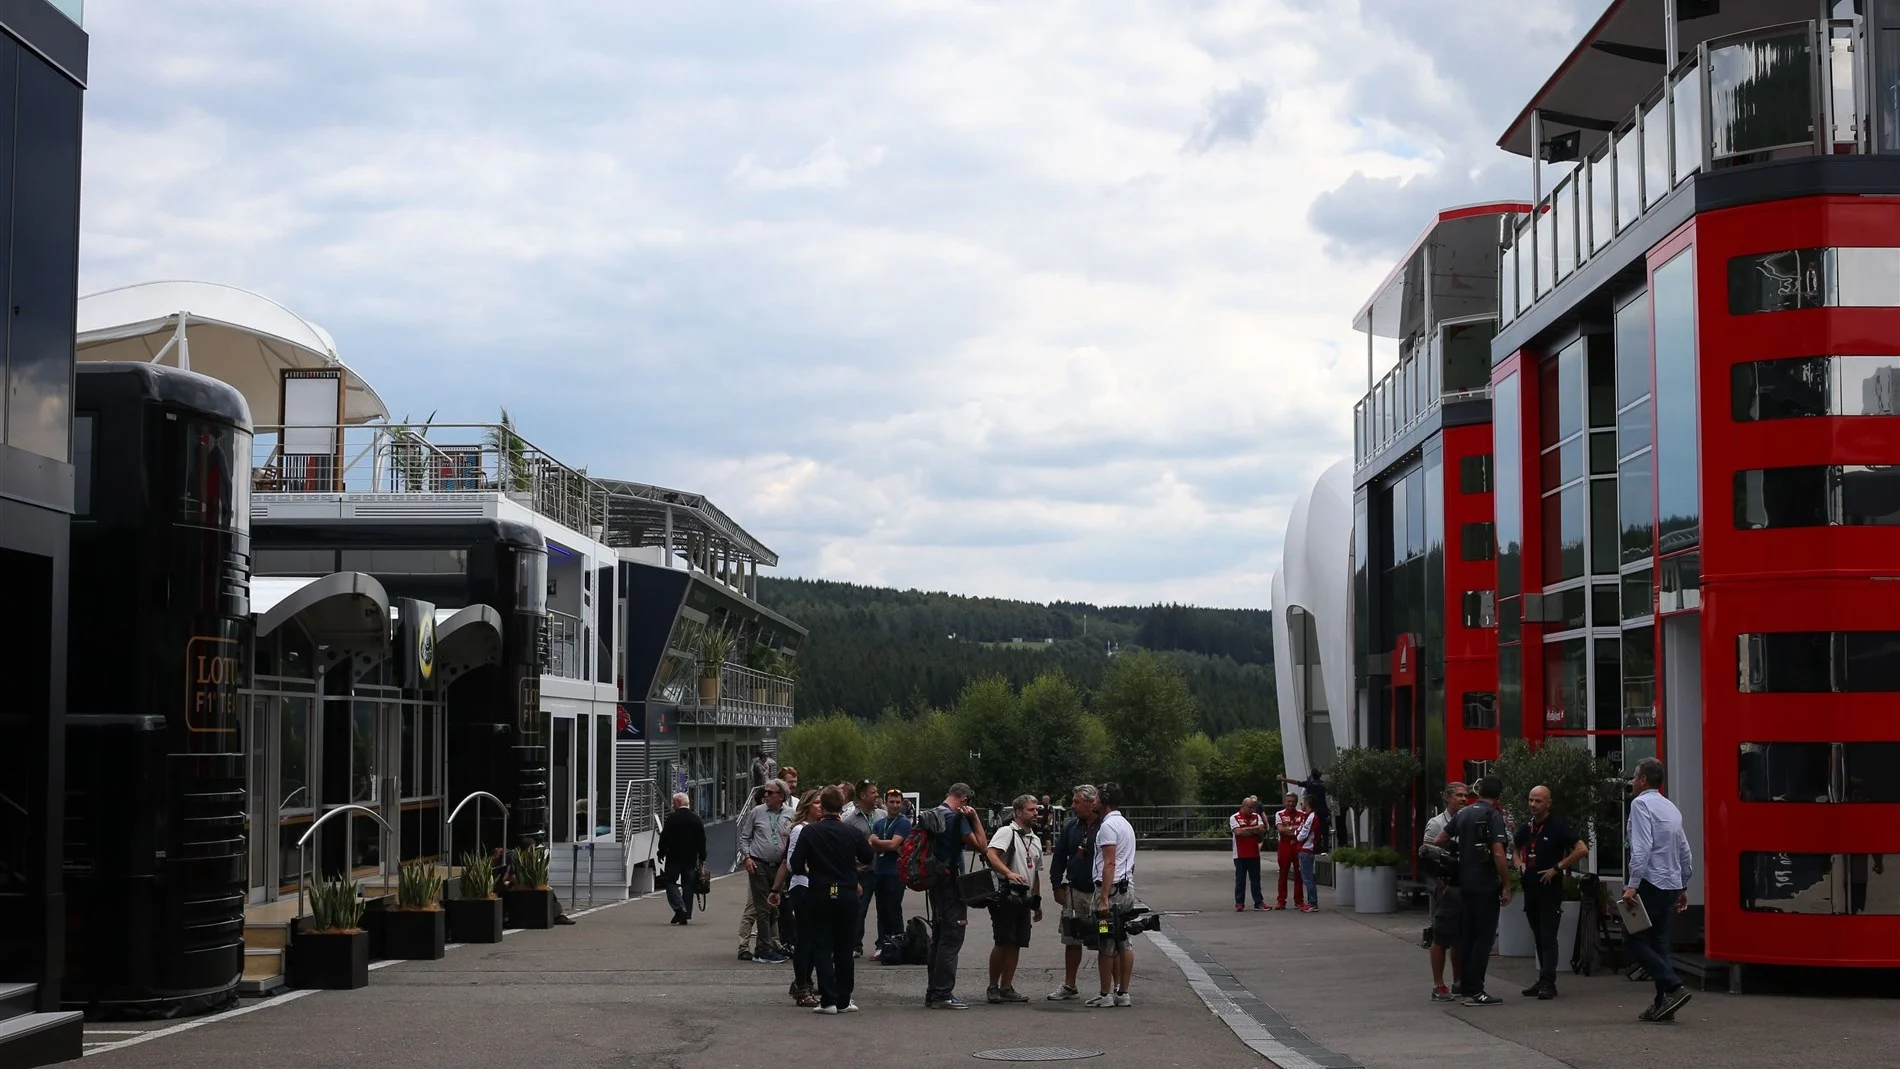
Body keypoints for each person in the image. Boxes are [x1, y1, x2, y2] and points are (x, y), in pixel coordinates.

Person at [787, 786, 875, 1014]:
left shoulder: (810, 832)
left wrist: (810, 866)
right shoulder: (852, 832)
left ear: (822, 806)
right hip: (846, 891)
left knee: (822, 946)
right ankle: (845, 999)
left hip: (821, 891)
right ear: (842, 805)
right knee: (845, 948)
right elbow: (867, 856)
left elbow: (795, 865)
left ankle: (828, 1000)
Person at [1623, 757, 1695, 1023]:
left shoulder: (1640, 804)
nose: (1632, 781)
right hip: (1671, 883)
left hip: (1651, 882)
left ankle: (1674, 988)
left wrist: (1632, 885)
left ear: (1643, 780)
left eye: (1634, 777)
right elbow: (1684, 849)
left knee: (1632, 941)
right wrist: (1684, 884)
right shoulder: (1670, 807)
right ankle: (1662, 1004)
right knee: (1659, 943)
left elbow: (1641, 848)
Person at [1516, 784, 1588, 999]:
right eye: (1530, 800)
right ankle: (1542, 979)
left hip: (1549, 891)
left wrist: (1558, 868)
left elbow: (1582, 849)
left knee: (1548, 936)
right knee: (1538, 936)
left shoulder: (1557, 826)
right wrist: (1518, 861)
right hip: (1531, 889)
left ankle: (1549, 983)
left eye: (1538, 801)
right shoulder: (1526, 827)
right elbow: (1514, 848)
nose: (1533, 804)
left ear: (1548, 803)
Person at [1446, 777, 1510, 1007]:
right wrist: (1507, 884)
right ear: (1498, 796)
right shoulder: (1493, 816)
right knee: (1483, 939)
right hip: (1485, 884)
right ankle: (1476, 991)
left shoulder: (1463, 814)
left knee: (1467, 937)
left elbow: (1440, 839)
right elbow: (1499, 853)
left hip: (1465, 883)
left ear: (1479, 791)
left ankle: (1464, 987)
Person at [924, 783, 989, 1010]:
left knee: (939, 936)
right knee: (952, 937)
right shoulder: (955, 818)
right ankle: (943, 993)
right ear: (964, 800)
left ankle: (933, 991)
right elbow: (982, 846)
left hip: (935, 880)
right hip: (952, 883)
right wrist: (975, 818)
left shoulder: (933, 814)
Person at [984, 794, 1044, 1004]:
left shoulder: (1035, 839)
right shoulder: (1006, 832)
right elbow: (991, 854)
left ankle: (1006, 987)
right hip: (1005, 894)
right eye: (1031, 810)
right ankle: (993, 986)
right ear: (1018, 812)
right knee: (1002, 941)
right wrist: (1008, 873)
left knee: (1017, 942)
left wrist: (1036, 901)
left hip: (1023, 897)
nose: (1036, 813)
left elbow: (1035, 872)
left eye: (1036, 810)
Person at [1047, 784, 1099, 1001]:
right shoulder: (1071, 826)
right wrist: (1056, 885)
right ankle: (1070, 985)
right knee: (1071, 938)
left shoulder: (1106, 825)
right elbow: (1058, 857)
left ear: (1091, 802)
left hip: (1099, 894)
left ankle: (1112, 988)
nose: (1073, 806)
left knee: (1106, 937)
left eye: (1077, 802)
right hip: (1074, 891)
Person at [772, 790, 825, 1004]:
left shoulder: (819, 828)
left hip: (816, 887)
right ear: (807, 806)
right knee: (805, 939)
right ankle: (802, 985)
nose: (821, 806)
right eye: (817, 803)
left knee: (815, 938)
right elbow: (791, 862)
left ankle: (804, 981)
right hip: (802, 886)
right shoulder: (799, 830)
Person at [1089, 781, 1138, 1007]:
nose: (1094, 801)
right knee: (1124, 941)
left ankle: (1105, 993)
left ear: (1105, 801)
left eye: (1097, 797)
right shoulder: (1125, 824)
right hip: (1126, 890)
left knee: (1106, 941)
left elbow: (1109, 863)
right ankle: (1123, 993)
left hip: (1112, 891)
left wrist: (1104, 897)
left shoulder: (1107, 826)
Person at [737, 778, 792, 963]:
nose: (765, 795)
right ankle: (763, 948)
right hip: (759, 864)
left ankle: (772, 944)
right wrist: (747, 857)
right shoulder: (757, 812)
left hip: (780, 867)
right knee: (762, 908)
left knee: (774, 907)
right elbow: (744, 837)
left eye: (770, 793)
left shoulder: (790, 814)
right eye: (765, 792)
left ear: (781, 796)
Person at [1421, 781, 1467, 1001]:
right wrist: (1441, 883)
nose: (1463, 799)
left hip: (1464, 885)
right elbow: (1427, 854)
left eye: (1465, 795)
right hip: (1445, 887)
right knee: (1441, 936)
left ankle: (1459, 981)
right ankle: (1438, 985)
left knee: (1460, 937)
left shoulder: (1468, 819)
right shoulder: (1436, 823)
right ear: (1447, 798)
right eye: (1458, 795)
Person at [841, 779, 884, 958]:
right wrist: (852, 868)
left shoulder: (882, 815)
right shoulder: (850, 820)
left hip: (882, 870)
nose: (876, 795)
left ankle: (883, 944)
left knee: (884, 910)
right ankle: (855, 945)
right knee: (859, 910)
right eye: (873, 792)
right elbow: (844, 848)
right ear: (863, 795)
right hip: (862, 872)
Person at [868, 787, 912, 959]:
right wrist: (882, 843)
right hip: (880, 871)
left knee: (893, 909)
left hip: (895, 872)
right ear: (885, 803)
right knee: (881, 910)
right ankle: (882, 943)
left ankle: (897, 941)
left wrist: (878, 842)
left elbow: (894, 845)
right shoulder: (879, 823)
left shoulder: (903, 823)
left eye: (898, 802)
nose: (895, 805)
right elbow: (870, 843)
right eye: (892, 802)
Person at [497, 835, 579, 925]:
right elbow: (511, 877)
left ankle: (557, 915)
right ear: (527, 849)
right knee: (540, 890)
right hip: (506, 887)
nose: (533, 853)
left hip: (515, 885)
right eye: (532, 850)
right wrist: (530, 886)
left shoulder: (525, 858)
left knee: (547, 889)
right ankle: (556, 916)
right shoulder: (512, 856)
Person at [657, 792, 707, 925]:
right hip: (691, 858)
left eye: (674, 803)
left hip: (674, 857)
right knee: (688, 885)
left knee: (669, 881)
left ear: (678, 803)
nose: (673, 805)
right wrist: (702, 857)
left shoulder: (672, 818)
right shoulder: (696, 819)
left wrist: (661, 852)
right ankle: (686, 912)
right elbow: (702, 840)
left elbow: (664, 837)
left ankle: (680, 909)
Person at [1229, 795, 1268, 911]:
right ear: (1243, 806)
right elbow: (1238, 832)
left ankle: (1258, 902)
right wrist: (1253, 830)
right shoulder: (1234, 817)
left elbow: (1262, 829)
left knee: (1255, 879)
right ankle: (1239, 903)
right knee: (1240, 880)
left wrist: (1247, 829)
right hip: (1240, 854)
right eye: (1250, 808)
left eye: (1253, 808)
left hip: (1254, 853)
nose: (1252, 810)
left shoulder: (1256, 816)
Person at [1280, 769, 1331, 853]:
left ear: (1311, 775)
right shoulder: (1323, 784)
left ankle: (1314, 845)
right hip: (1323, 809)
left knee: (1311, 829)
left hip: (1313, 808)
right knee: (1324, 830)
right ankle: (1325, 848)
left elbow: (1296, 782)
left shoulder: (1309, 784)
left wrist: (1284, 779)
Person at [1272, 792, 1305, 910]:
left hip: (1298, 846)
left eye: (1293, 801)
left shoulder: (1302, 814)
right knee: (1283, 873)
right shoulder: (1279, 814)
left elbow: (1304, 830)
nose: (1291, 804)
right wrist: (1295, 829)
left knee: (1299, 874)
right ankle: (1281, 901)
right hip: (1284, 846)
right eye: (1288, 801)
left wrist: (1290, 830)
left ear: (1296, 802)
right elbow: (1281, 830)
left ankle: (1299, 900)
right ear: (1285, 802)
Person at [1295, 793, 1320, 912]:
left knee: (1308, 878)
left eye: (1303, 802)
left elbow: (1301, 835)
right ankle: (1312, 902)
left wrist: (1297, 834)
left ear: (1307, 803)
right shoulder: (1309, 816)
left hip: (1306, 849)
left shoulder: (1311, 817)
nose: (1302, 804)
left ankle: (1313, 903)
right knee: (1308, 877)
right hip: (1306, 849)